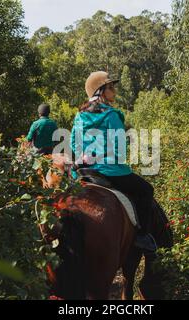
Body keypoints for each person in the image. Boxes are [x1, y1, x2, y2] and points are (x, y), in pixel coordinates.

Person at [70, 71, 157, 252]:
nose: (114, 92)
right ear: (100, 91)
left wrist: (86, 159)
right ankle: (142, 237)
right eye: (110, 88)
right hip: (109, 170)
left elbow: (74, 145)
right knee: (147, 190)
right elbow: (118, 150)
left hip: (82, 171)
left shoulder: (79, 116)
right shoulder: (111, 115)